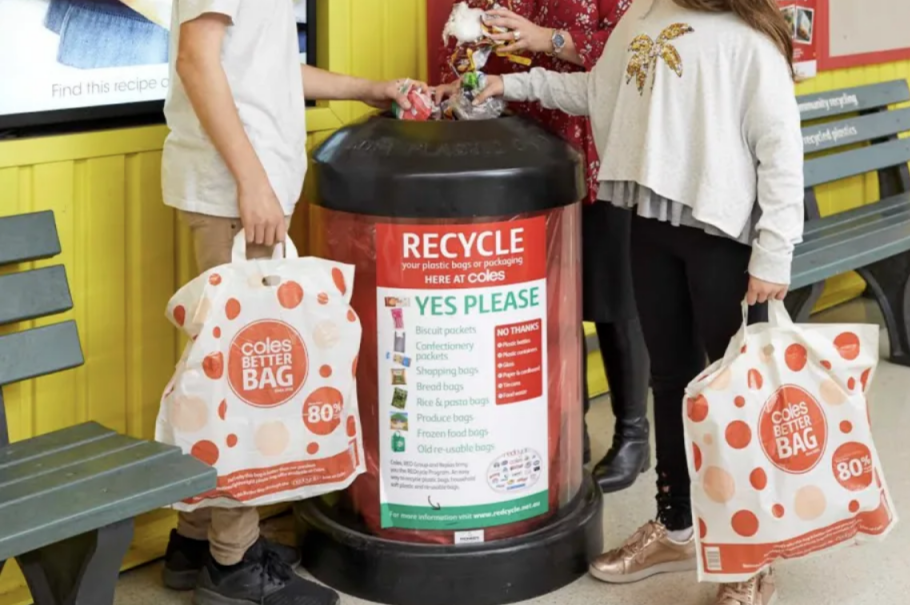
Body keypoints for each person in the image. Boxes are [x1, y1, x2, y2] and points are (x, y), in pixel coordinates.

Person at [471, 0, 803, 602]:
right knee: (671, 381)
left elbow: (781, 147)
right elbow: (598, 92)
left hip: (724, 237)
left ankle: (751, 552)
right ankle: (677, 524)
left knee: (735, 394)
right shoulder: (643, 16)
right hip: (650, 223)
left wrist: (774, 253)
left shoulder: (750, 38)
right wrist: (506, 80)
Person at [160, 1, 422, 604]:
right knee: (249, 382)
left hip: (242, 192)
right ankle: (234, 567)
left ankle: (194, 541)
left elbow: (268, 70)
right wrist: (253, 182)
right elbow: (196, 62)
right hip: (233, 195)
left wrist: (369, 89)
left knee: (220, 372)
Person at [435, 0, 653, 493]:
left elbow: (633, 57)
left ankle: (633, 434)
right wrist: (466, 68)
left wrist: (546, 39)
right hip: (523, 157)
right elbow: (458, 47)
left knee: (612, 298)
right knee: (548, 306)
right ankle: (566, 429)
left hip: (599, 149)